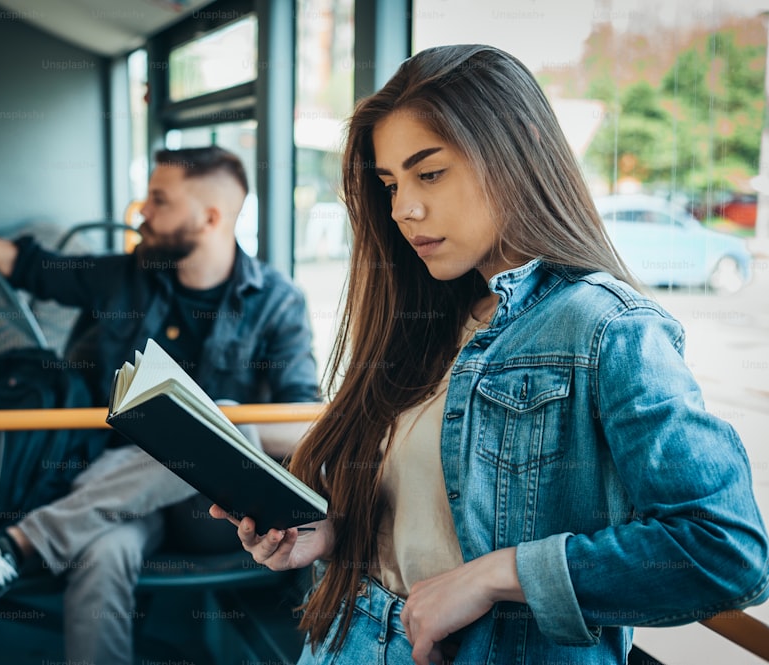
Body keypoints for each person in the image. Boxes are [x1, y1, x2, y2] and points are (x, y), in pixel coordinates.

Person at [211, 45, 769, 665]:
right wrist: (329, 531)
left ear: (518, 148)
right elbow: (425, 514)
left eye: (430, 174)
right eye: (392, 184)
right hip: (348, 640)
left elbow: (724, 550)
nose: (403, 209)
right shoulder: (426, 318)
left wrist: (497, 575)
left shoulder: (606, 328)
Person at [0, 146, 320, 664]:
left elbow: (303, 424)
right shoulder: (125, 278)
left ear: (209, 217)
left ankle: (19, 544)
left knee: (221, 422)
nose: (141, 213)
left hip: (214, 509)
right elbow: (19, 262)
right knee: (104, 552)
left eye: (158, 200)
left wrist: (215, 422)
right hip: (108, 489)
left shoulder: (277, 301)